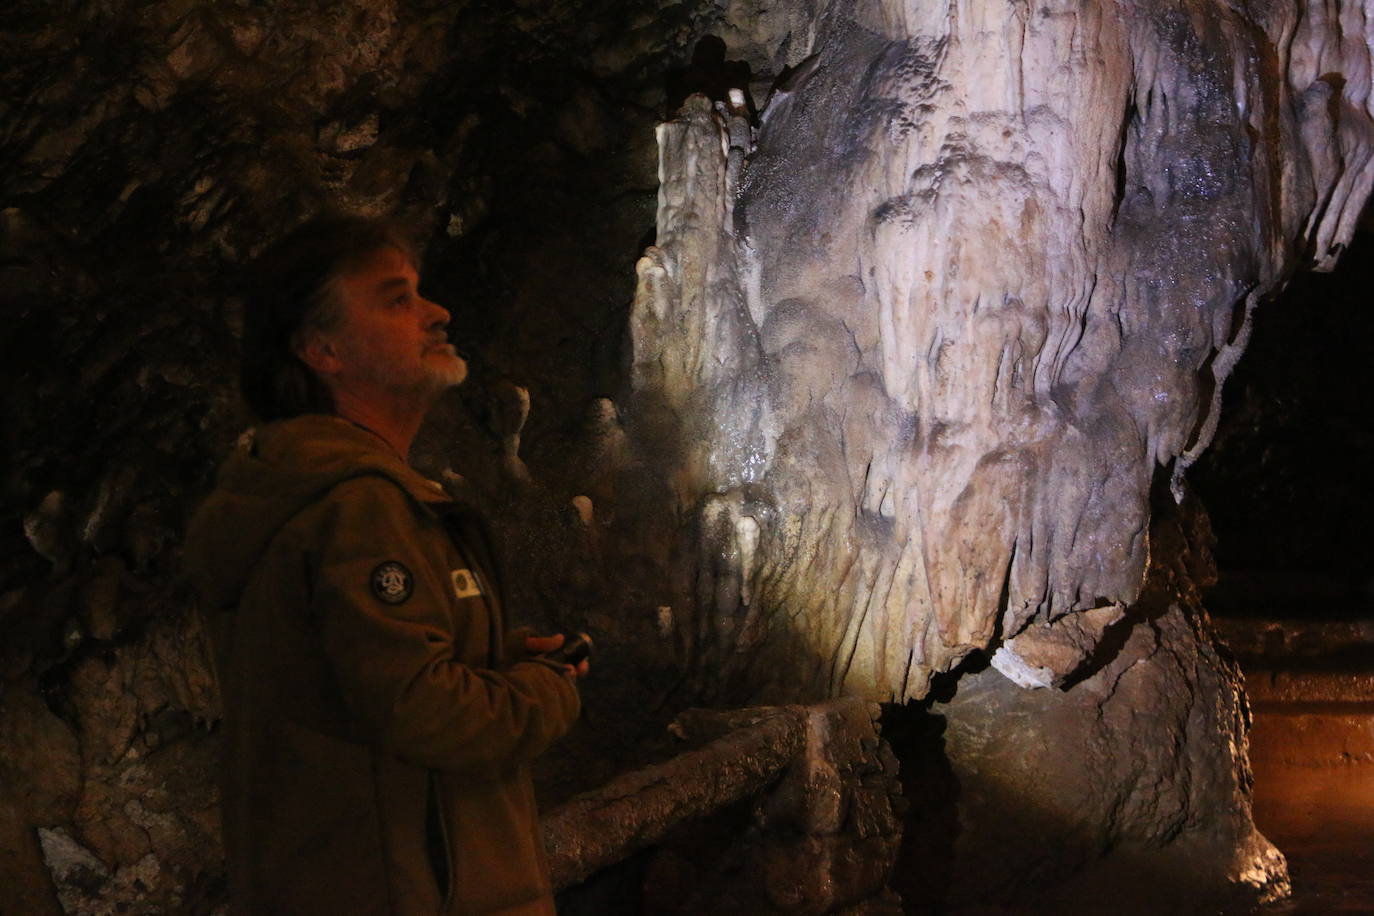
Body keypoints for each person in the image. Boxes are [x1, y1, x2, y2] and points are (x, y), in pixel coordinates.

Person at [184, 213, 584, 915]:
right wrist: (550, 690)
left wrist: (493, 654)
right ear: (323, 351)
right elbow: (424, 712)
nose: (436, 313)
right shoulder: (357, 509)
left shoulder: (320, 496)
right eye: (396, 299)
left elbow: (358, 682)